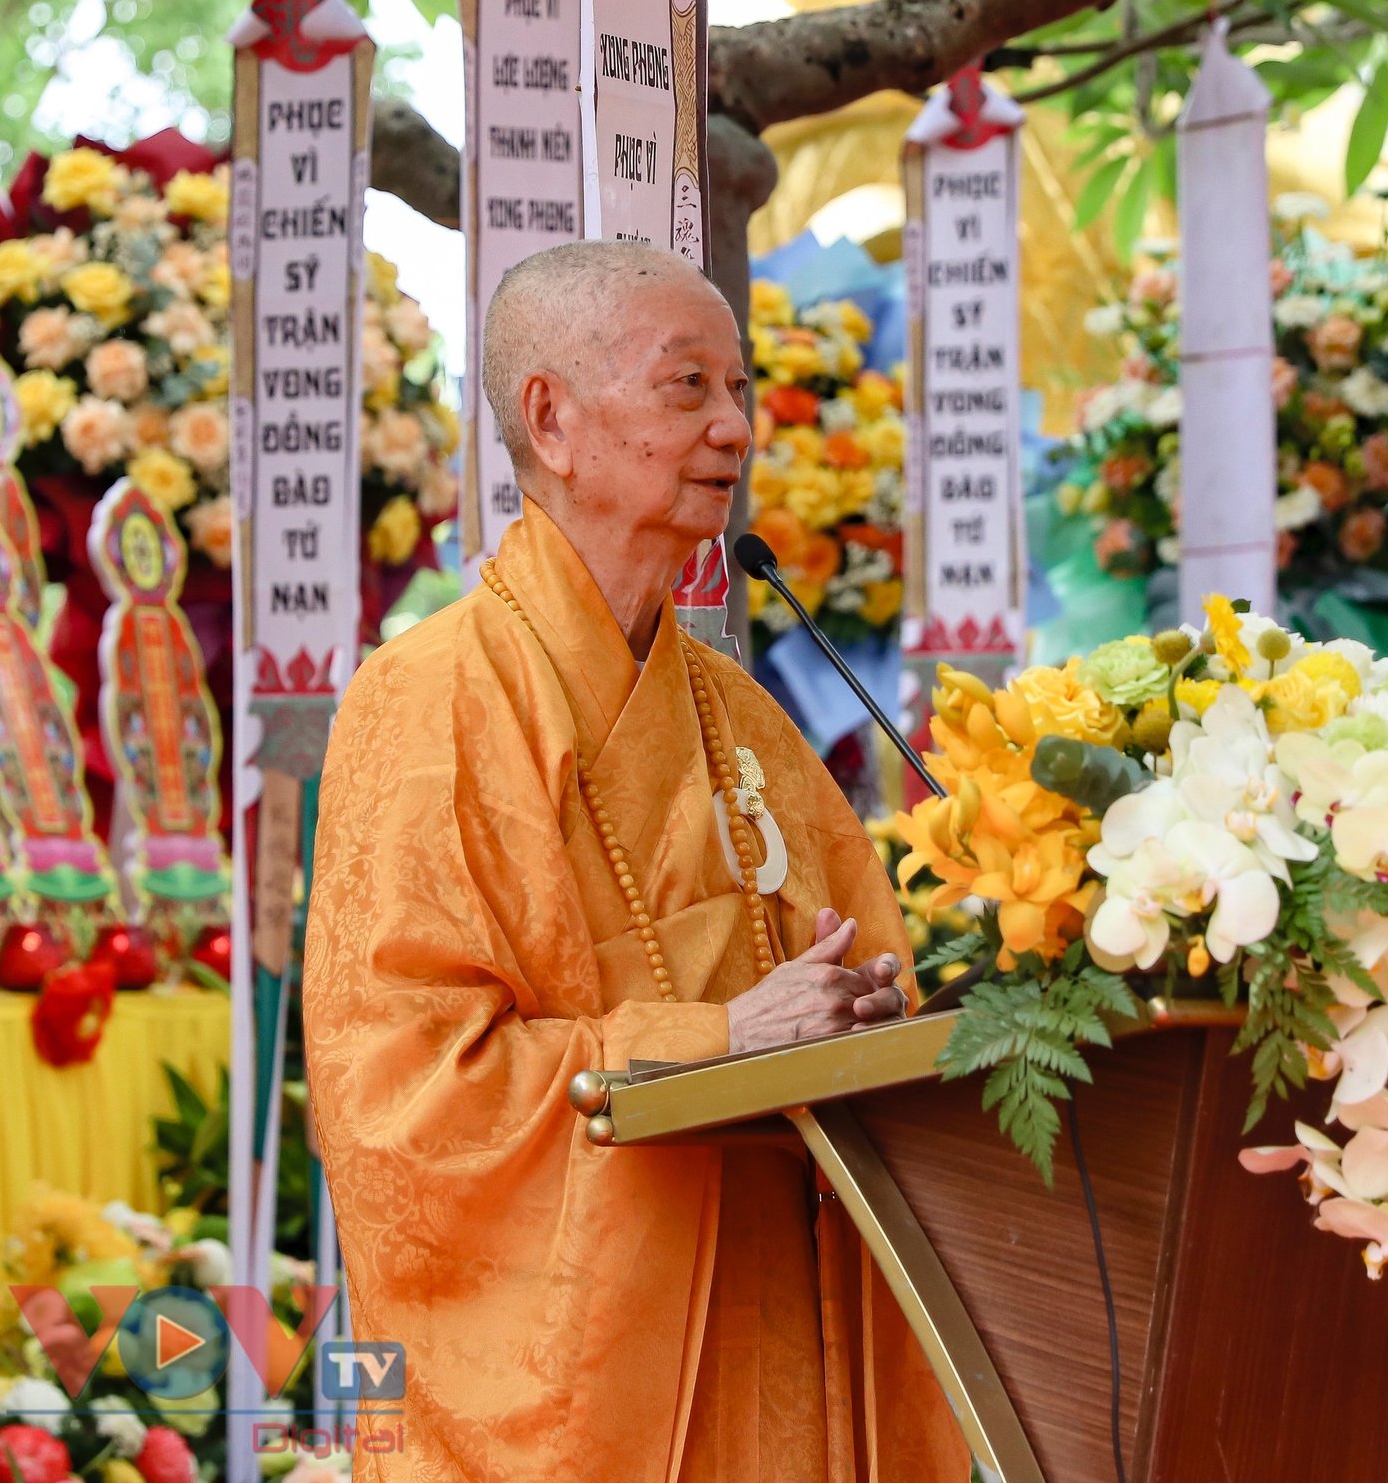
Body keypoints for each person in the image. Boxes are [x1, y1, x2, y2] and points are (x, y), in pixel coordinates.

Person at [304, 242, 970, 1482]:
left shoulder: (742, 711)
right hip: (597, 1376)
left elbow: (871, 976)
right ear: (551, 418)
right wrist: (718, 1041)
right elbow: (400, 1094)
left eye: (741, 387)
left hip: (781, 1308)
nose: (735, 429)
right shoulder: (428, 700)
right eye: (687, 388)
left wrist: (871, 1009)